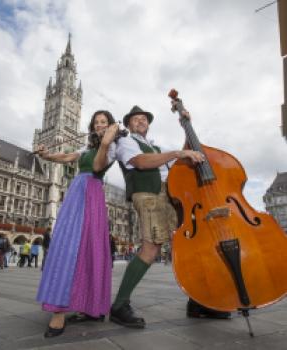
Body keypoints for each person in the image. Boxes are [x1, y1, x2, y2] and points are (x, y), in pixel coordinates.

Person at [94, 105, 230, 329]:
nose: (141, 121)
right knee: (151, 247)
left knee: (190, 246)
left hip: (171, 195)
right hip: (148, 195)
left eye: (144, 119)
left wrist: (187, 127)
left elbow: (183, 160)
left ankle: (198, 302)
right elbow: (139, 162)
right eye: (136, 119)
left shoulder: (156, 146)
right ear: (128, 124)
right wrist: (178, 153)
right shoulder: (126, 141)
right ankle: (119, 305)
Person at [36, 110, 119, 338]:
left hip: (91, 193)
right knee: (67, 246)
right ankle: (65, 308)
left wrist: (106, 141)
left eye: (104, 122)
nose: (100, 125)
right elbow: (68, 157)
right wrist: (47, 155)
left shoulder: (112, 147)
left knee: (85, 248)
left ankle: (86, 306)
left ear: (111, 125)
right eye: (96, 122)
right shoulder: (88, 147)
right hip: (76, 192)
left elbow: (97, 167)